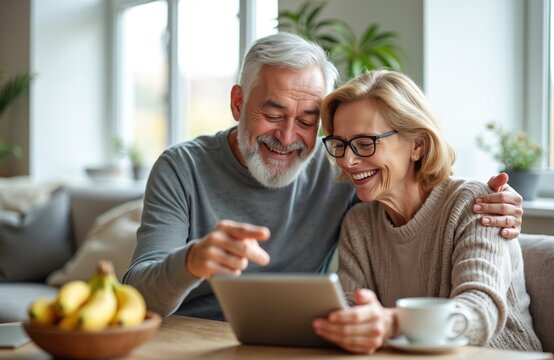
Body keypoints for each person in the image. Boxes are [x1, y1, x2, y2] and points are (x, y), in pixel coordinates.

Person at [123, 32, 524, 321]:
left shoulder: (340, 166)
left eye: (307, 120)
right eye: (273, 114)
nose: (287, 136)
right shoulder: (181, 168)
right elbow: (138, 297)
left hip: (291, 346)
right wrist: (191, 261)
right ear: (237, 102)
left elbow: (410, 182)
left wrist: (489, 202)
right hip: (188, 337)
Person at [312, 70, 541, 353]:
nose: (347, 160)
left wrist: (394, 323)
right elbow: (351, 312)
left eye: (364, 143)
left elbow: (480, 314)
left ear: (417, 146)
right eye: (340, 144)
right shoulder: (359, 223)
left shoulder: (475, 203)